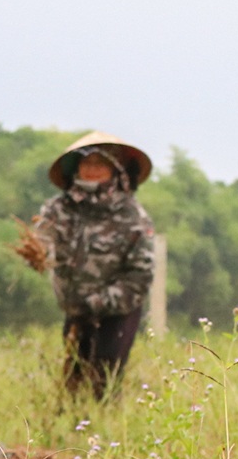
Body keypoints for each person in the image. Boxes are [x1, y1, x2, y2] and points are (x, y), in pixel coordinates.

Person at [17, 131, 158, 399]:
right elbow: (45, 238)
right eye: (86, 164)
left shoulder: (132, 217)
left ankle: (106, 431)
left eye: (99, 164)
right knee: (74, 377)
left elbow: (140, 276)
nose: (91, 171)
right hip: (76, 308)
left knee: (104, 376)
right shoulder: (59, 209)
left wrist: (99, 301)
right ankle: (72, 428)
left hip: (118, 310)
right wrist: (37, 252)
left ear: (114, 170)